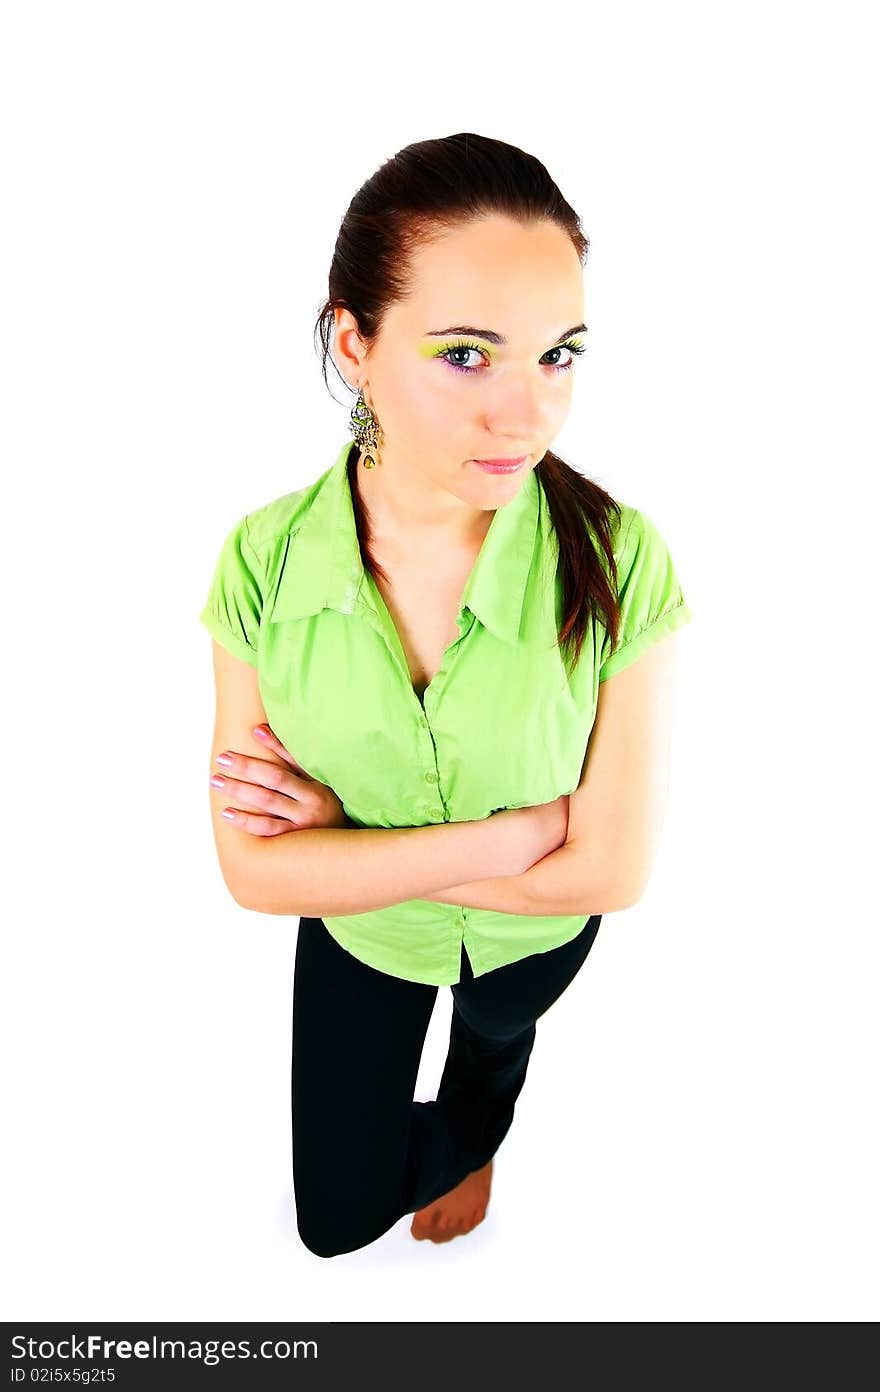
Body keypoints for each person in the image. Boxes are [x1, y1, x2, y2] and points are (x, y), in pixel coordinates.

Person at [199, 132, 694, 1258]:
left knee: (492, 1046)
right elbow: (251, 873)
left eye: (558, 355)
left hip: (530, 941)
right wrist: (529, 831)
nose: (526, 416)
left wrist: (348, 842)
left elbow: (611, 872)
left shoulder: (618, 559)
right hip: (366, 942)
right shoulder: (262, 562)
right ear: (354, 342)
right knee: (335, 1222)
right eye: (467, 355)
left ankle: (479, 1130)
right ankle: (454, 1132)